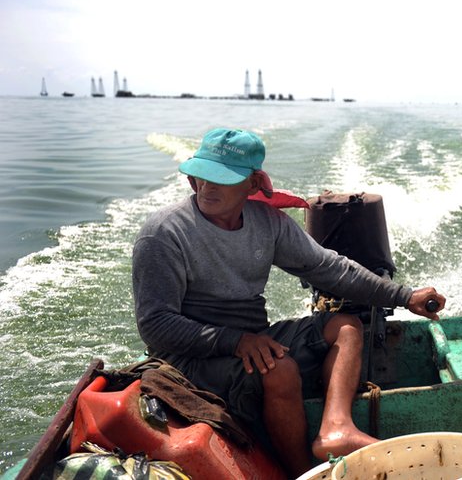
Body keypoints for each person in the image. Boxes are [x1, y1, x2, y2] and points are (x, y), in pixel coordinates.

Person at [131, 128, 445, 477]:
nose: (207, 187)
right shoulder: (163, 233)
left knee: (344, 326)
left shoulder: (268, 223)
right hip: (188, 360)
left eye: (221, 179)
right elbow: (155, 325)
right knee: (278, 369)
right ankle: (301, 473)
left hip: (250, 338)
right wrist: (235, 342)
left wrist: (404, 296)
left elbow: (330, 269)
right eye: (202, 176)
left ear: (252, 185)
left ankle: (335, 429)